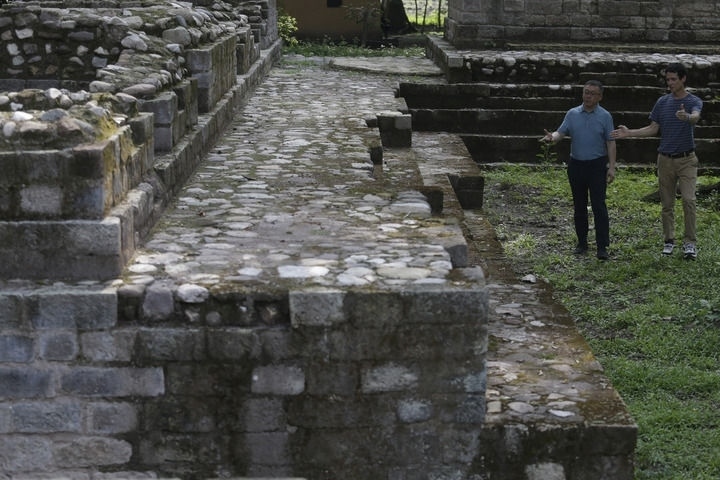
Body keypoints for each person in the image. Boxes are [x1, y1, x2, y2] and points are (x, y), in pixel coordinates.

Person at [611, 62, 702, 260]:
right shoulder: (662, 102)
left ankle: (690, 243)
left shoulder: (693, 100)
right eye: (668, 79)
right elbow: (653, 128)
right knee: (667, 203)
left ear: (683, 79)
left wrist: (686, 117)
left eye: (674, 79)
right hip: (665, 159)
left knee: (689, 200)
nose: (670, 83)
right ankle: (669, 240)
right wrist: (629, 133)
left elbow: (695, 117)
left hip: (687, 159)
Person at [542, 80, 617, 260]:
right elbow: (561, 132)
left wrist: (612, 167)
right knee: (579, 205)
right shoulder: (572, 113)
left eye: (592, 93)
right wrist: (552, 137)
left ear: (600, 97)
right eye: (586, 92)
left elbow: (610, 142)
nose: (588, 96)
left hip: (597, 165)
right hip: (576, 165)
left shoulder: (605, 116)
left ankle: (602, 246)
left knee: (599, 206)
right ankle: (582, 243)